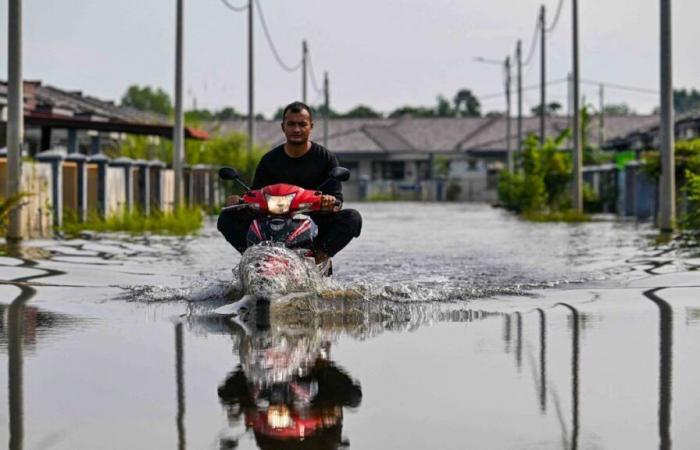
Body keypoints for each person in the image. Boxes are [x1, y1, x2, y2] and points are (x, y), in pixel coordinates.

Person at [217, 101, 362, 263]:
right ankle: (253, 256)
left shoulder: (326, 158)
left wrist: (329, 201)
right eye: (291, 124)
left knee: (353, 218)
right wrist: (238, 201)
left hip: (315, 221)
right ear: (283, 127)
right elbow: (255, 194)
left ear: (311, 126)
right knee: (225, 218)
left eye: (302, 124)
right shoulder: (269, 160)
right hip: (272, 223)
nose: (296, 129)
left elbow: (337, 201)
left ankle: (320, 256)